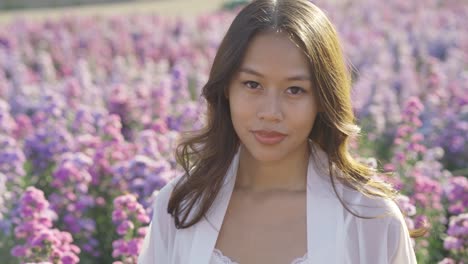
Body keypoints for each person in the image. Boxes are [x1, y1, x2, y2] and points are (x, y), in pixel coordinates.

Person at [138, 0, 425, 263]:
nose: (270, 112)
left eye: (295, 90)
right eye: (252, 84)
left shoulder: (371, 216)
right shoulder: (179, 204)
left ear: (323, 100)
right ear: (226, 88)